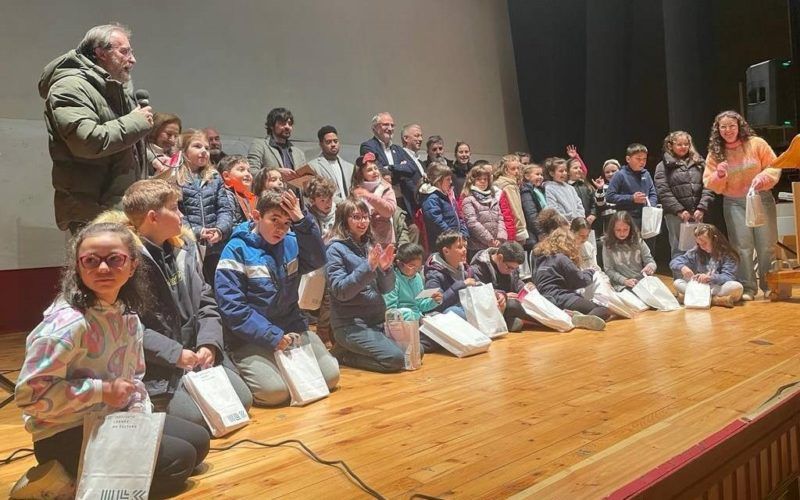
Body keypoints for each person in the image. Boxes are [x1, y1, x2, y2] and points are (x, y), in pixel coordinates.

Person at [15, 222, 209, 498]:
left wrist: (137, 414)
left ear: (132, 266)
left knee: (198, 442)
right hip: (65, 430)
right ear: (78, 268)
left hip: (111, 417)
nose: (103, 269)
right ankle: (60, 478)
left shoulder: (126, 314)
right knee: (178, 463)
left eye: (114, 259)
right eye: (91, 261)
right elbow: (31, 397)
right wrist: (102, 391)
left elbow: (135, 378)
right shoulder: (66, 325)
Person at [115, 180, 252, 426]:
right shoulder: (127, 263)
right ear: (153, 217)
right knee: (199, 420)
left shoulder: (184, 251)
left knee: (243, 401)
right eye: (174, 208)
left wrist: (209, 343)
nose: (182, 214)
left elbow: (207, 303)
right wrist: (176, 354)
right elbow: (128, 328)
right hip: (160, 366)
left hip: (195, 355)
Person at [215, 190, 339, 405]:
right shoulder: (235, 250)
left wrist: (302, 221)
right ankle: (237, 364)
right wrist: (272, 336)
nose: (281, 229)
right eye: (274, 220)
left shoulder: (291, 240)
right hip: (249, 337)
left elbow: (318, 259)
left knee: (330, 377)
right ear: (256, 216)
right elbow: (233, 310)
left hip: (290, 326)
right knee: (275, 393)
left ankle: (282, 366)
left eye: (287, 223)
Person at [39, 23, 153, 234]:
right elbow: (87, 142)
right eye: (124, 51)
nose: (133, 59)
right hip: (94, 210)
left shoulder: (116, 87)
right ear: (100, 53)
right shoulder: (69, 87)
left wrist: (152, 160)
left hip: (122, 207)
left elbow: (122, 144)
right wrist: (136, 121)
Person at [703, 110, 781, 300]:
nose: (728, 130)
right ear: (718, 129)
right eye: (723, 127)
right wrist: (719, 175)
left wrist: (763, 177)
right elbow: (708, 181)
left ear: (739, 126)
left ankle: (770, 285)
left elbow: (775, 165)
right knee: (741, 246)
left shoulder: (756, 144)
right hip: (734, 202)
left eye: (732, 126)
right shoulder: (716, 152)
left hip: (761, 199)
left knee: (766, 245)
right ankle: (748, 287)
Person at [325, 198, 402, 373]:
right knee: (395, 359)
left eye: (365, 217)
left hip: (377, 322)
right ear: (344, 220)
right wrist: (368, 267)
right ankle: (343, 355)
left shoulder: (369, 244)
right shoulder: (334, 249)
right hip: (350, 325)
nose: (363, 221)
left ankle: (348, 350)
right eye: (356, 217)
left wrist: (386, 269)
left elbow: (387, 289)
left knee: (415, 351)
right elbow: (341, 291)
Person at [171, 129, 234, 286]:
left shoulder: (214, 176)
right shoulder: (174, 177)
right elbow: (173, 213)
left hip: (214, 246)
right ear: (184, 151)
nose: (204, 151)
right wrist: (197, 231)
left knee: (215, 287)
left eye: (206, 148)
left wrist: (220, 230)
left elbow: (225, 209)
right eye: (197, 146)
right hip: (187, 244)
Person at [654, 131, 715, 264]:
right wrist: (680, 211)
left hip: (698, 213)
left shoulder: (699, 162)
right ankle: (681, 282)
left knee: (702, 247)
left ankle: (700, 281)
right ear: (670, 146)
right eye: (679, 144)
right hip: (675, 216)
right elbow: (663, 191)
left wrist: (702, 207)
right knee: (679, 249)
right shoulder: (662, 166)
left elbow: (708, 185)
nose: (683, 147)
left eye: (686, 144)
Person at [533, 228, 609, 330]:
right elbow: (581, 280)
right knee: (603, 309)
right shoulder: (561, 258)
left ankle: (567, 317)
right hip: (563, 298)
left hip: (546, 302)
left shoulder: (539, 260)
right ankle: (575, 320)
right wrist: (590, 271)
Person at [670, 224, 743, 307]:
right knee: (677, 283)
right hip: (702, 287)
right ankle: (715, 300)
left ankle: (696, 297)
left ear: (715, 239)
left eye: (704, 243)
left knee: (737, 287)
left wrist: (710, 278)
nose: (702, 247)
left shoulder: (728, 254)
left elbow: (728, 277)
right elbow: (674, 262)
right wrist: (682, 267)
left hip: (717, 287)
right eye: (699, 244)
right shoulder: (697, 251)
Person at [471, 241, 535, 332]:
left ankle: (510, 321)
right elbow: (480, 291)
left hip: (513, 300)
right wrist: (502, 294)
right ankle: (543, 320)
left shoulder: (511, 265)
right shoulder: (480, 266)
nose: (511, 271)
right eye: (509, 267)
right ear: (500, 258)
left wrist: (525, 288)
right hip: (498, 305)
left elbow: (516, 282)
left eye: (515, 268)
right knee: (513, 306)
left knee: (546, 298)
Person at [424, 231, 477, 319]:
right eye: (460, 247)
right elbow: (433, 306)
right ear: (446, 251)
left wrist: (499, 294)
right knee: (453, 312)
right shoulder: (433, 275)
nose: (464, 250)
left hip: (467, 308)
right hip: (446, 320)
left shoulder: (467, 269)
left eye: (465, 246)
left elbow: (480, 288)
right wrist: (460, 286)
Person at [384, 243, 443, 321]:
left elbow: (419, 304)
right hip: (403, 323)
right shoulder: (392, 279)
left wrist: (434, 301)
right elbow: (390, 312)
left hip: (417, 318)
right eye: (412, 266)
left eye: (418, 267)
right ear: (399, 263)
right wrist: (413, 316)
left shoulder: (417, 277)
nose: (416, 270)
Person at [606, 144, 658, 232]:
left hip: (647, 218)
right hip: (627, 219)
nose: (642, 162)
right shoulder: (620, 175)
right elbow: (610, 196)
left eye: (644, 159)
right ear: (628, 159)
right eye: (638, 159)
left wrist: (650, 206)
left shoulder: (646, 174)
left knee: (648, 245)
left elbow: (653, 194)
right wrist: (631, 198)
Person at [602, 211, 657, 290]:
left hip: (641, 282)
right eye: (618, 230)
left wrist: (651, 266)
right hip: (621, 285)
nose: (622, 233)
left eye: (625, 229)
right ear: (612, 229)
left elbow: (650, 260)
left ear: (630, 228)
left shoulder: (638, 240)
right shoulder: (608, 244)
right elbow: (609, 270)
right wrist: (624, 281)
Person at [351, 152, 397, 246]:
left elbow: (389, 210)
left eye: (375, 168)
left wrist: (369, 196)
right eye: (369, 170)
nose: (375, 172)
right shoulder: (356, 190)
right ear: (361, 174)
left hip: (383, 239)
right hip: (362, 239)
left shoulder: (385, 187)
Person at [461, 163, 506, 259]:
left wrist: (500, 238)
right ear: (472, 181)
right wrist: (489, 240)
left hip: (495, 245)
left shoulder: (493, 199)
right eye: (478, 179)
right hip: (477, 247)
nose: (482, 182)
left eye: (485, 179)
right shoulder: (468, 200)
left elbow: (501, 219)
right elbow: (472, 223)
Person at [247, 107, 307, 177]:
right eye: (282, 123)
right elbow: (251, 172)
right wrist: (276, 172)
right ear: (271, 126)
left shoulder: (299, 153)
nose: (287, 127)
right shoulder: (260, 145)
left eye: (290, 124)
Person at [420, 162, 468, 246]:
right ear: (438, 181)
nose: (451, 182)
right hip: (444, 244)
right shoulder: (431, 198)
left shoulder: (447, 196)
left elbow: (459, 216)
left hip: (454, 241)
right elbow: (437, 222)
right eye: (448, 179)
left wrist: (463, 234)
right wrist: (453, 237)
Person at [308, 125, 354, 202]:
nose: (333, 144)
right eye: (328, 142)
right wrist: (342, 204)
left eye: (335, 141)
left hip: (350, 210)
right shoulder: (313, 166)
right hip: (328, 211)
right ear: (321, 144)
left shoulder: (350, 167)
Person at [393, 123, 428, 216]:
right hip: (411, 211)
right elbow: (405, 181)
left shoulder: (420, 162)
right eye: (416, 136)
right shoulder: (399, 156)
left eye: (421, 136)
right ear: (406, 138)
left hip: (424, 209)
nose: (420, 139)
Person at [494, 154, 529, 244]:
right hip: (514, 230)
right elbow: (515, 210)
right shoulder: (508, 186)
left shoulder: (512, 184)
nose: (517, 171)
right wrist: (520, 229)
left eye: (518, 168)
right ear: (505, 170)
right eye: (513, 169)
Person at [218, 155, 256, 225]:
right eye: (241, 170)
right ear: (226, 176)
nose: (248, 174)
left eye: (249, 171)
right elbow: (231, 225)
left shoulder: (251, 197)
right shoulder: (226, 195)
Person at [544, 157, 585, 221]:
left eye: (565, 170)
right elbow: (553, 209)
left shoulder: (570, 188)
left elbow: (579, 204)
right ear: (552, 173)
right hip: (563, 224)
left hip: (577, 223)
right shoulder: (549, 188)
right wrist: (568, 219)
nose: (564, 173)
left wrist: (579, 218)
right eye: (561, 171)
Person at [520, 163, 547, 252]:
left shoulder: (539, 190)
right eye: (537, 174)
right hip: (533, 233)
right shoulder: (526, 191)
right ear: (527, 176)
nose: (540, 177)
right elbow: (531, 214)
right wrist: (540, 232)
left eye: (541, 174)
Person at [594, 159, 620, 236]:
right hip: (608, 221)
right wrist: (600, 189)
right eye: (607, 172)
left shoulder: (625, 186)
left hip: (624, 218)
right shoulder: (603, 187)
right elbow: (600, 204)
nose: (610, 174)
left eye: (613, 171)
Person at [567, 158, 597, 226]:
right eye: (575, 168)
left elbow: (594, 202)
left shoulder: (587, 186)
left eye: (580, 168)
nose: (579, 170)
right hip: (573, 224)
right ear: (568, 171)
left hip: (589, 223)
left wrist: (593, 214)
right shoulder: (566, 188)